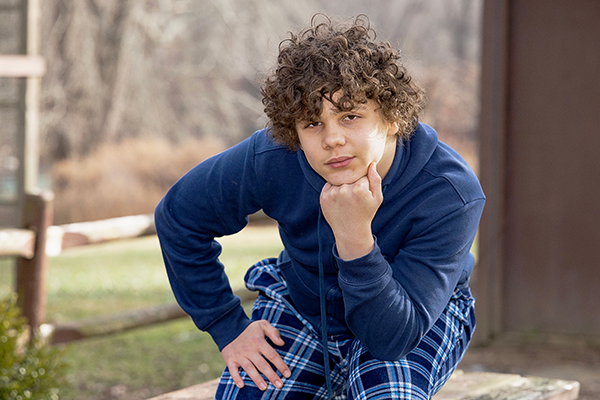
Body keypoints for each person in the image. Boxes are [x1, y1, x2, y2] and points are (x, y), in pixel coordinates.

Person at [155, 14, 485, 400]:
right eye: (312, 123)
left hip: (411, 317)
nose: (332, 139)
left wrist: (354, 237)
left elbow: (393, 339)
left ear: (393, 119)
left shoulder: (450, 192)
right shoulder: (272, 157)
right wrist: (226, 326)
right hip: (305, 303)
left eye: (350, 116)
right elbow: (178, 218)